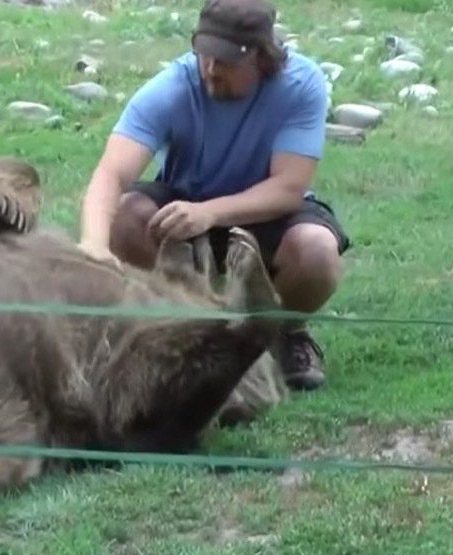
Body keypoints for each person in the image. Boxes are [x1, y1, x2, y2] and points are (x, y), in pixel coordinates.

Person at [75, 0, 350, 392]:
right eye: (205, 55)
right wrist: (93, 245)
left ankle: (282, 333)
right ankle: (182, 328)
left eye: (226, 61)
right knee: (125, 214)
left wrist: (209, 213)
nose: (211, 69)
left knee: (317, 253)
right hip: (185, 201)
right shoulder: (173, 86)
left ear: (262, 58)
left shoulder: (301, 85)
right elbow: (112, 172)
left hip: (264, 211)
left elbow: (288, 187)